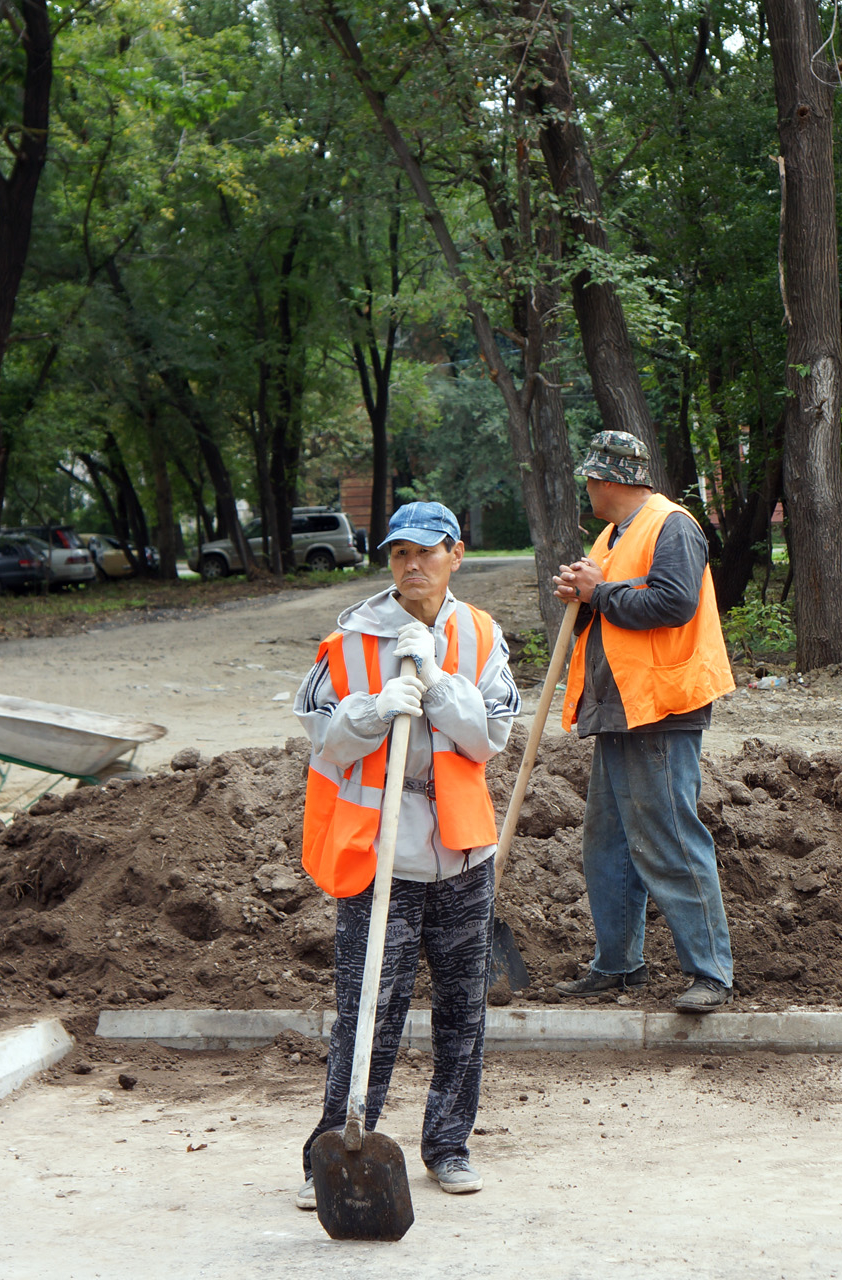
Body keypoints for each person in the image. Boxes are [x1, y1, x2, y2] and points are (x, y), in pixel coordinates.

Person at [292, 501, 519, 1209]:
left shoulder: (480, 636)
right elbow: (320, 736)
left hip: (461, 853)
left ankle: (448, 1145)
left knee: (462, 1009)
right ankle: (334, 1152)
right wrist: (372, 710)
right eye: (398, 554)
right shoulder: (352, 641)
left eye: (424, 552)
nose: (411, 566)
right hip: (379, 853)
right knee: (367, 1011)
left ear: (455, 553)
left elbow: (492, 737)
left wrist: (440, 686)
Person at [549, 430, 738, 1015]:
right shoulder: (613, 534)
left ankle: (711, 972)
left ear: (607, 479)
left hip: (660, 707)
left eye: (590, 479)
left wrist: (599, 592)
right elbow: (607, 609)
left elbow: (672, 603)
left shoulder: (672, 525)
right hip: (619, 707)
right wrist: (581, 596)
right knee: (606, 844)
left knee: (669, 838)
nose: (587, 489)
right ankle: (618, 964)